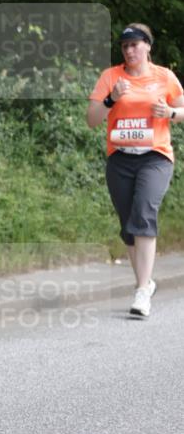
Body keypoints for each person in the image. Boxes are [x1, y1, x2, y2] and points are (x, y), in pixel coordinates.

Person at [87, 23, 183, 317]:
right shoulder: (111, 77)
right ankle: (145, 282)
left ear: (148, 46)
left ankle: (141, 292)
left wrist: (170, 113)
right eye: (125, 46)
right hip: (120, 159)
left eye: (135, 44)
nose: (130, 50)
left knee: (143, 212)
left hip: (155, 156)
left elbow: (183, 110)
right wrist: (111, 98)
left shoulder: (164, 76)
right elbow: (91, 120)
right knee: (129, 225)